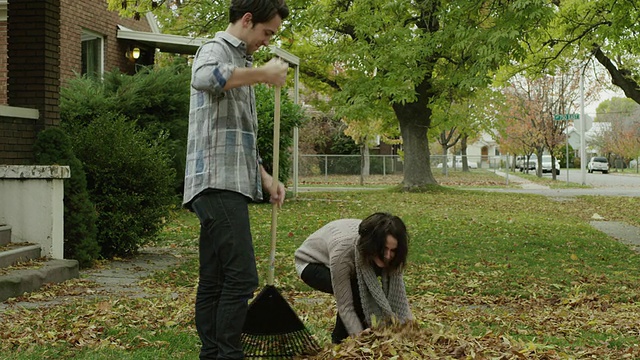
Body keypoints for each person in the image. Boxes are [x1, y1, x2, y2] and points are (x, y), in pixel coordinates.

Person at [182, 0, 289, 358]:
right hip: (215, 182)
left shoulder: (241, 62)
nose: (267, 40)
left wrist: (266, 178)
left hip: (228, 181)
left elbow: (236, 134)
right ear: (247, 20)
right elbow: (203, 78)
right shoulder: (215, 49)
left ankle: (213, 353)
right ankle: (228, 354)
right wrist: (263, 73)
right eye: (266, 32)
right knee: (242, 278)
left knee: (215, 279)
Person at [294, 212, 413, 344]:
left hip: (346, 256)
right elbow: (345, 306)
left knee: (362, 290)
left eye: (393, 250)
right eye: (384, 249)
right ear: (373, 245)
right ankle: (339, 342)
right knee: (356, 292)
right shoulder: (343, 253)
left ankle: (365, 331)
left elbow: (399, 296)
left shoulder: (388, 251)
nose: (387, 255)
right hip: (311, 263)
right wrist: (360, 339)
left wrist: (408, 327)